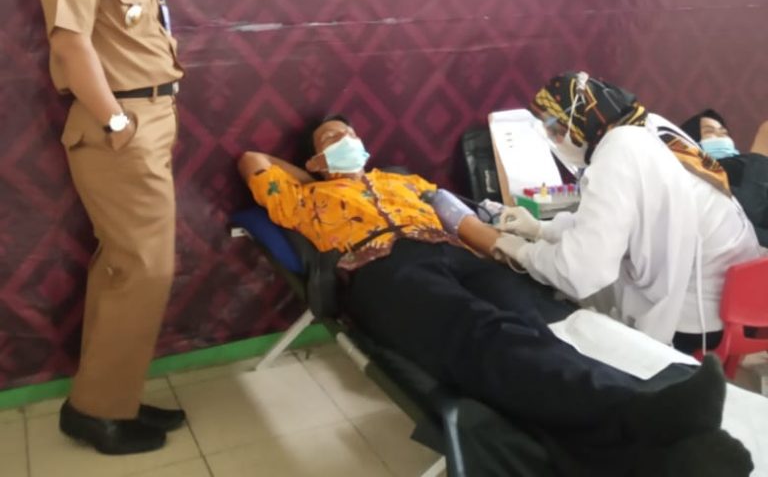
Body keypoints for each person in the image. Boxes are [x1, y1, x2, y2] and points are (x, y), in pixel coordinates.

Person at [238, 116, 753, 477]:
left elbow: (457, 216)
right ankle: (639, 416)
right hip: (382, 267)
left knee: (548, 324)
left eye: (351, 134)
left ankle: (654, 444)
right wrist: (320, 172)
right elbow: (251, 159)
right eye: (333, 138)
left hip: (455, 252)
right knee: (484, 334)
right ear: (314, 158)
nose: (347, 140)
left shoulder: (402, 181)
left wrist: (507, 245)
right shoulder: (302, 197)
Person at [37, 0, 185, 455]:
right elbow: (71, 45)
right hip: (119, 127)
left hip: (152, 118)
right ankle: (98, 413)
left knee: (126, 268)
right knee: (146, 268)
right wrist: (119, 123)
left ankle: (107, 399)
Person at [493, 73, 761, 353]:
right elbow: (603, 227)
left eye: (556, 130)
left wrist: (524, 252)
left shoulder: (617, 155)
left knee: (572, 312)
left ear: (582, 122)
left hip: (698, 320)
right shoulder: (644, 126)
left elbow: (582, 271)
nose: (555, 141)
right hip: (744, 297)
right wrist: (541, 229)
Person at [680, 109, 768, 248]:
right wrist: (761, 153)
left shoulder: (742, 163)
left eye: (724, 133)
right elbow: (747, 221)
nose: (721, 137)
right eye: (710, 132)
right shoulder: (697, 180)